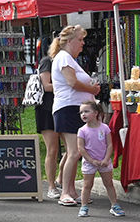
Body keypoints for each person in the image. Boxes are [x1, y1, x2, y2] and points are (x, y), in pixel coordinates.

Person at [50, 25, 99, 207]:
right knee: (74, 152)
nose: (83, 43)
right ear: (69, 41)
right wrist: (92, 89)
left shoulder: (68, 58)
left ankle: (70, 190)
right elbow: (72, 82)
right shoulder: (63, 57)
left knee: (74, 152)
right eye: (80, 40)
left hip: (71, 108)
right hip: (68, 108)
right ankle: (65, 192)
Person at [76, 101, 124, 217]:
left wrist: (106, 159)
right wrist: (91, 160)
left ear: (96, 113)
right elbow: (81, 148)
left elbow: (110, 145)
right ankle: (84, 206)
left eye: (86, 111)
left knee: (109, 183)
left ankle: (114, 205)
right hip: (89, 162)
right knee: (87, 185)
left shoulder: (104, 128)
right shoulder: (82, 130)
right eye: (81, 112)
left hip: (104, 161)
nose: (83, 114)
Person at [36, 49, 66, 200]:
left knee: (73, 148)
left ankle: (60, 178)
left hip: (63, 107)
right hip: (47, 108)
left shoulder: (70, 63)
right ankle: (51, 186)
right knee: (52, 149)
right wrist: (68, 85)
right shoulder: (47, 61)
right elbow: (46, 85)